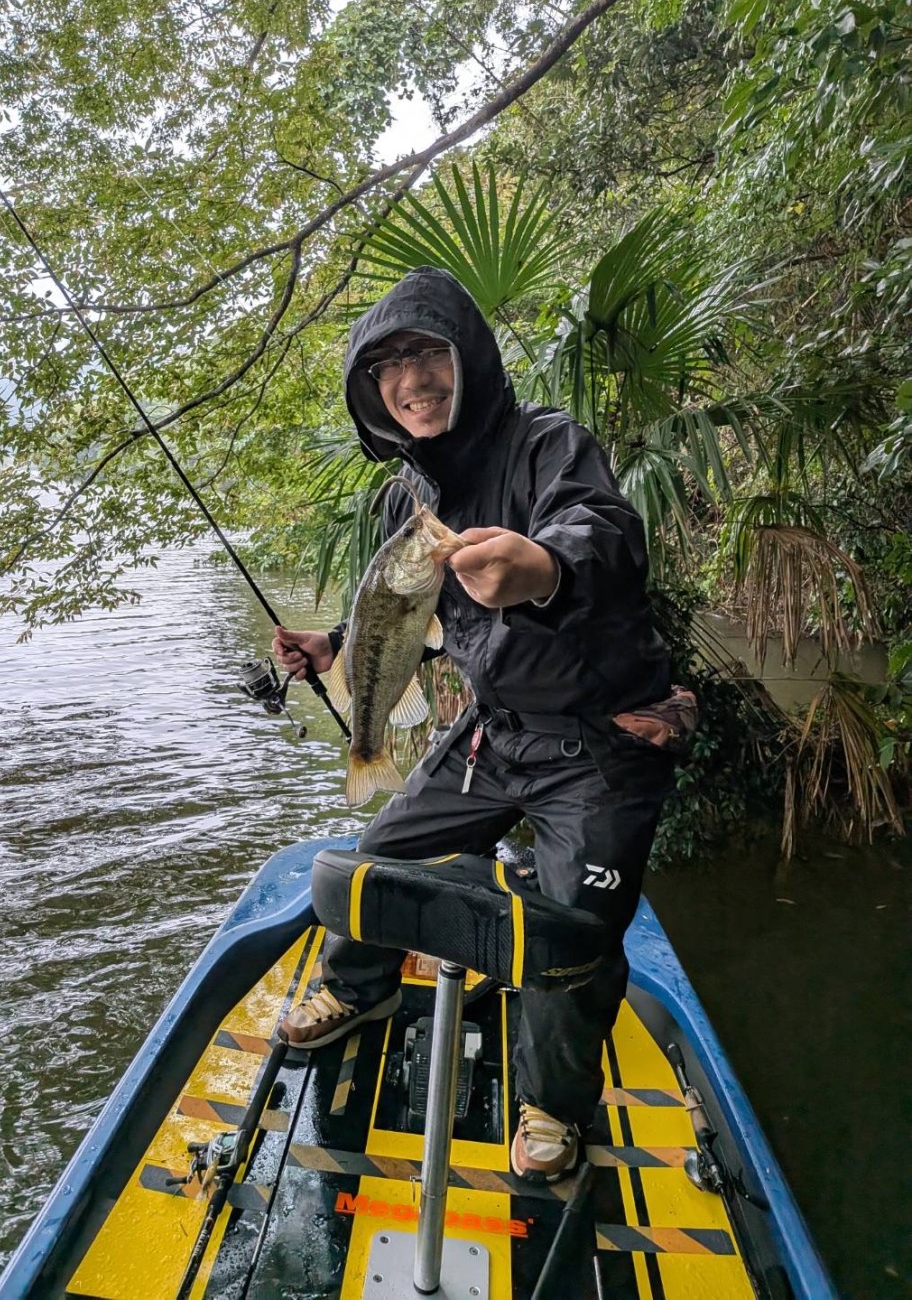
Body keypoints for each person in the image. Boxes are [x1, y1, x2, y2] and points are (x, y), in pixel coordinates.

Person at [272, 266, 690, 1185]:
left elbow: (607, 535)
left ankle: (552, 1106)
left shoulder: (548, 443)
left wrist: (542, 566)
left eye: (427, 353)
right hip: (492, 733)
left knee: (573, 931)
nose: (411, 379)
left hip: (602, 740)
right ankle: (356, 986)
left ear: (469, 359)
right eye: (387, 366)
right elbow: (414, 617)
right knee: (378, 859)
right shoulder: (405, 496)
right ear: (370, 391)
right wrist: (336, 644)